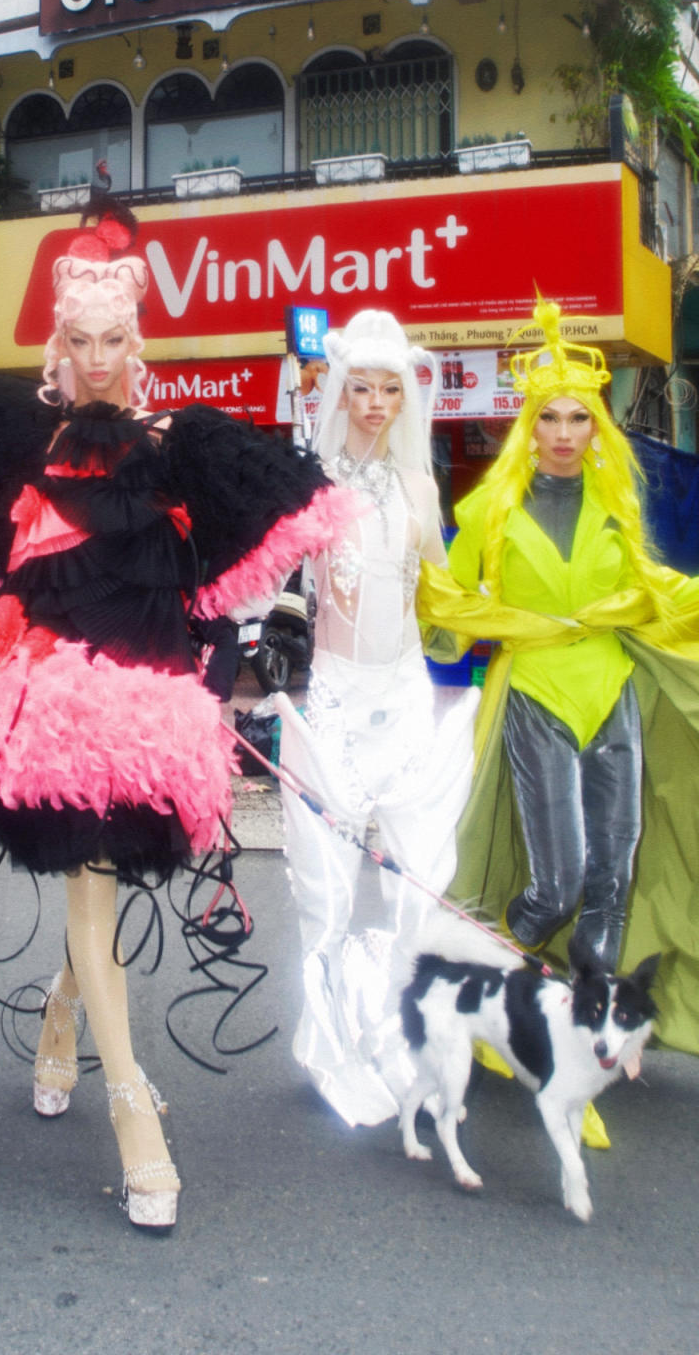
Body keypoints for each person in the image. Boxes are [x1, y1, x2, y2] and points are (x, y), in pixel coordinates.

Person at [0, 201, 360, 1231]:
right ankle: (131, 1107)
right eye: (80, 341)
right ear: (59, 342)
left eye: (114, 341)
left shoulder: (176, 441)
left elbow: (236, 561)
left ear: (134, 344)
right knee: (90, 883)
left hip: (146, 694)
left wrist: (219, 669)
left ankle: (63, 1013)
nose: (97, 359)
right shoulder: (26, 440)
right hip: (58, 694)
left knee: (99, 881)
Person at [418, 300, 699, 1132]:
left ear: (596, 426)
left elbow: (649, 595)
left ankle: (581, 1040)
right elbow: (446, 605)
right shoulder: (490, 512)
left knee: (613, 880)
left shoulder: (618, 505)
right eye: (547, 416)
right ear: (528, 422)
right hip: (538, 694)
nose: (561, 431)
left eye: (576, 417)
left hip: (611, 687)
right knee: (554, 885)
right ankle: (482, 986)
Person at [275, 309, 477, 1126]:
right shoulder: (312, 489)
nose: (374, 401)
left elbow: (451, 591)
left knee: (417, 881)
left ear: (404, 398)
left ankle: (404, 1038)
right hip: (331, 695)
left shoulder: (422, 488)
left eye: (389, 388)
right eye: (361, 386)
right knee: (325, 885)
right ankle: (329, 1045)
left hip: (402, 694)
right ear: (342, 392)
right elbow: (268, 581)